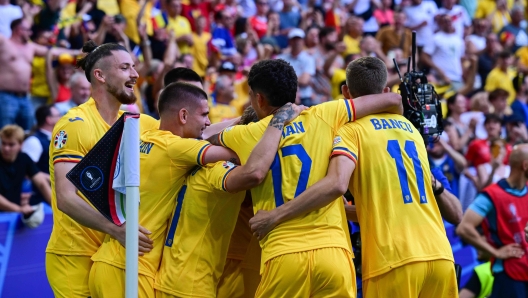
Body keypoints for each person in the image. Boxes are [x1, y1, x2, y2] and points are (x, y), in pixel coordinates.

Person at [249, 57, 457, 297]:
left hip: (394, 259)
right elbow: (385, 206)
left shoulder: (350, 130)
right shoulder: (411, 129)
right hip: (441, 254)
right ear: (385, 90)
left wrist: (276, 215)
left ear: (346, 92)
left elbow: (337, 184)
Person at [207, 59, 402, 297]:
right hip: (334, 253)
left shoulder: (246, 133)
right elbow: (393, 99)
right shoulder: (325, 113)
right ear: (295, 92)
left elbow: (203, 134)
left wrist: (249, 119)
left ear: (258, 99)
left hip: (284, 254)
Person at [45, 41, 160, 298]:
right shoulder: (75, 124)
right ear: (100, 75)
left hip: (110, 256)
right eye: (125, 67)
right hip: (73, 255)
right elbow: (65, 198)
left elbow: (192, 132)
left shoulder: (134, 124)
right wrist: (117, 229)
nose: (135, 74)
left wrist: (257, 120)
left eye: (134, 67)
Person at [154, 104, 303, 298]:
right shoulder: (218, 168)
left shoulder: (198, 158)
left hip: (180, 277)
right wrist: (279, 121)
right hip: (197, 281)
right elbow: (253, 175)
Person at [457, 144, 528, 298]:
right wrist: (495, 252)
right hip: (509, 277)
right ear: (525, 165)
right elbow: (463, 228)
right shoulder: (491, 195)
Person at [0, 18, 79, 130]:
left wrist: (77, 52)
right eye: (28, 30)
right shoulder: (4, 42)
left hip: (25, 97)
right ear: (19, 29)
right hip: (6, 96)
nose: (31, 33)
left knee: (28, 130)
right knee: (5, 131)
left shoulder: (30, 47)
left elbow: (53, 51)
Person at [0, 125, 51, 213]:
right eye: (4, 143)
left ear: (21, 144)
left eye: (11, 144)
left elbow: (42, 183)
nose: (6, 148)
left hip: (13, 212)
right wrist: (18, 209)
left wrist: (57, 208)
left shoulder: (24, 158)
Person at [22, 105, 61, 205]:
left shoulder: (57, 139)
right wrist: (52, 178)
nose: (61, 118)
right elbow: (25, 171)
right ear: (49, 119)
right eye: (58, 115)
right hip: (40, 200)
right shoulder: (34, 141)